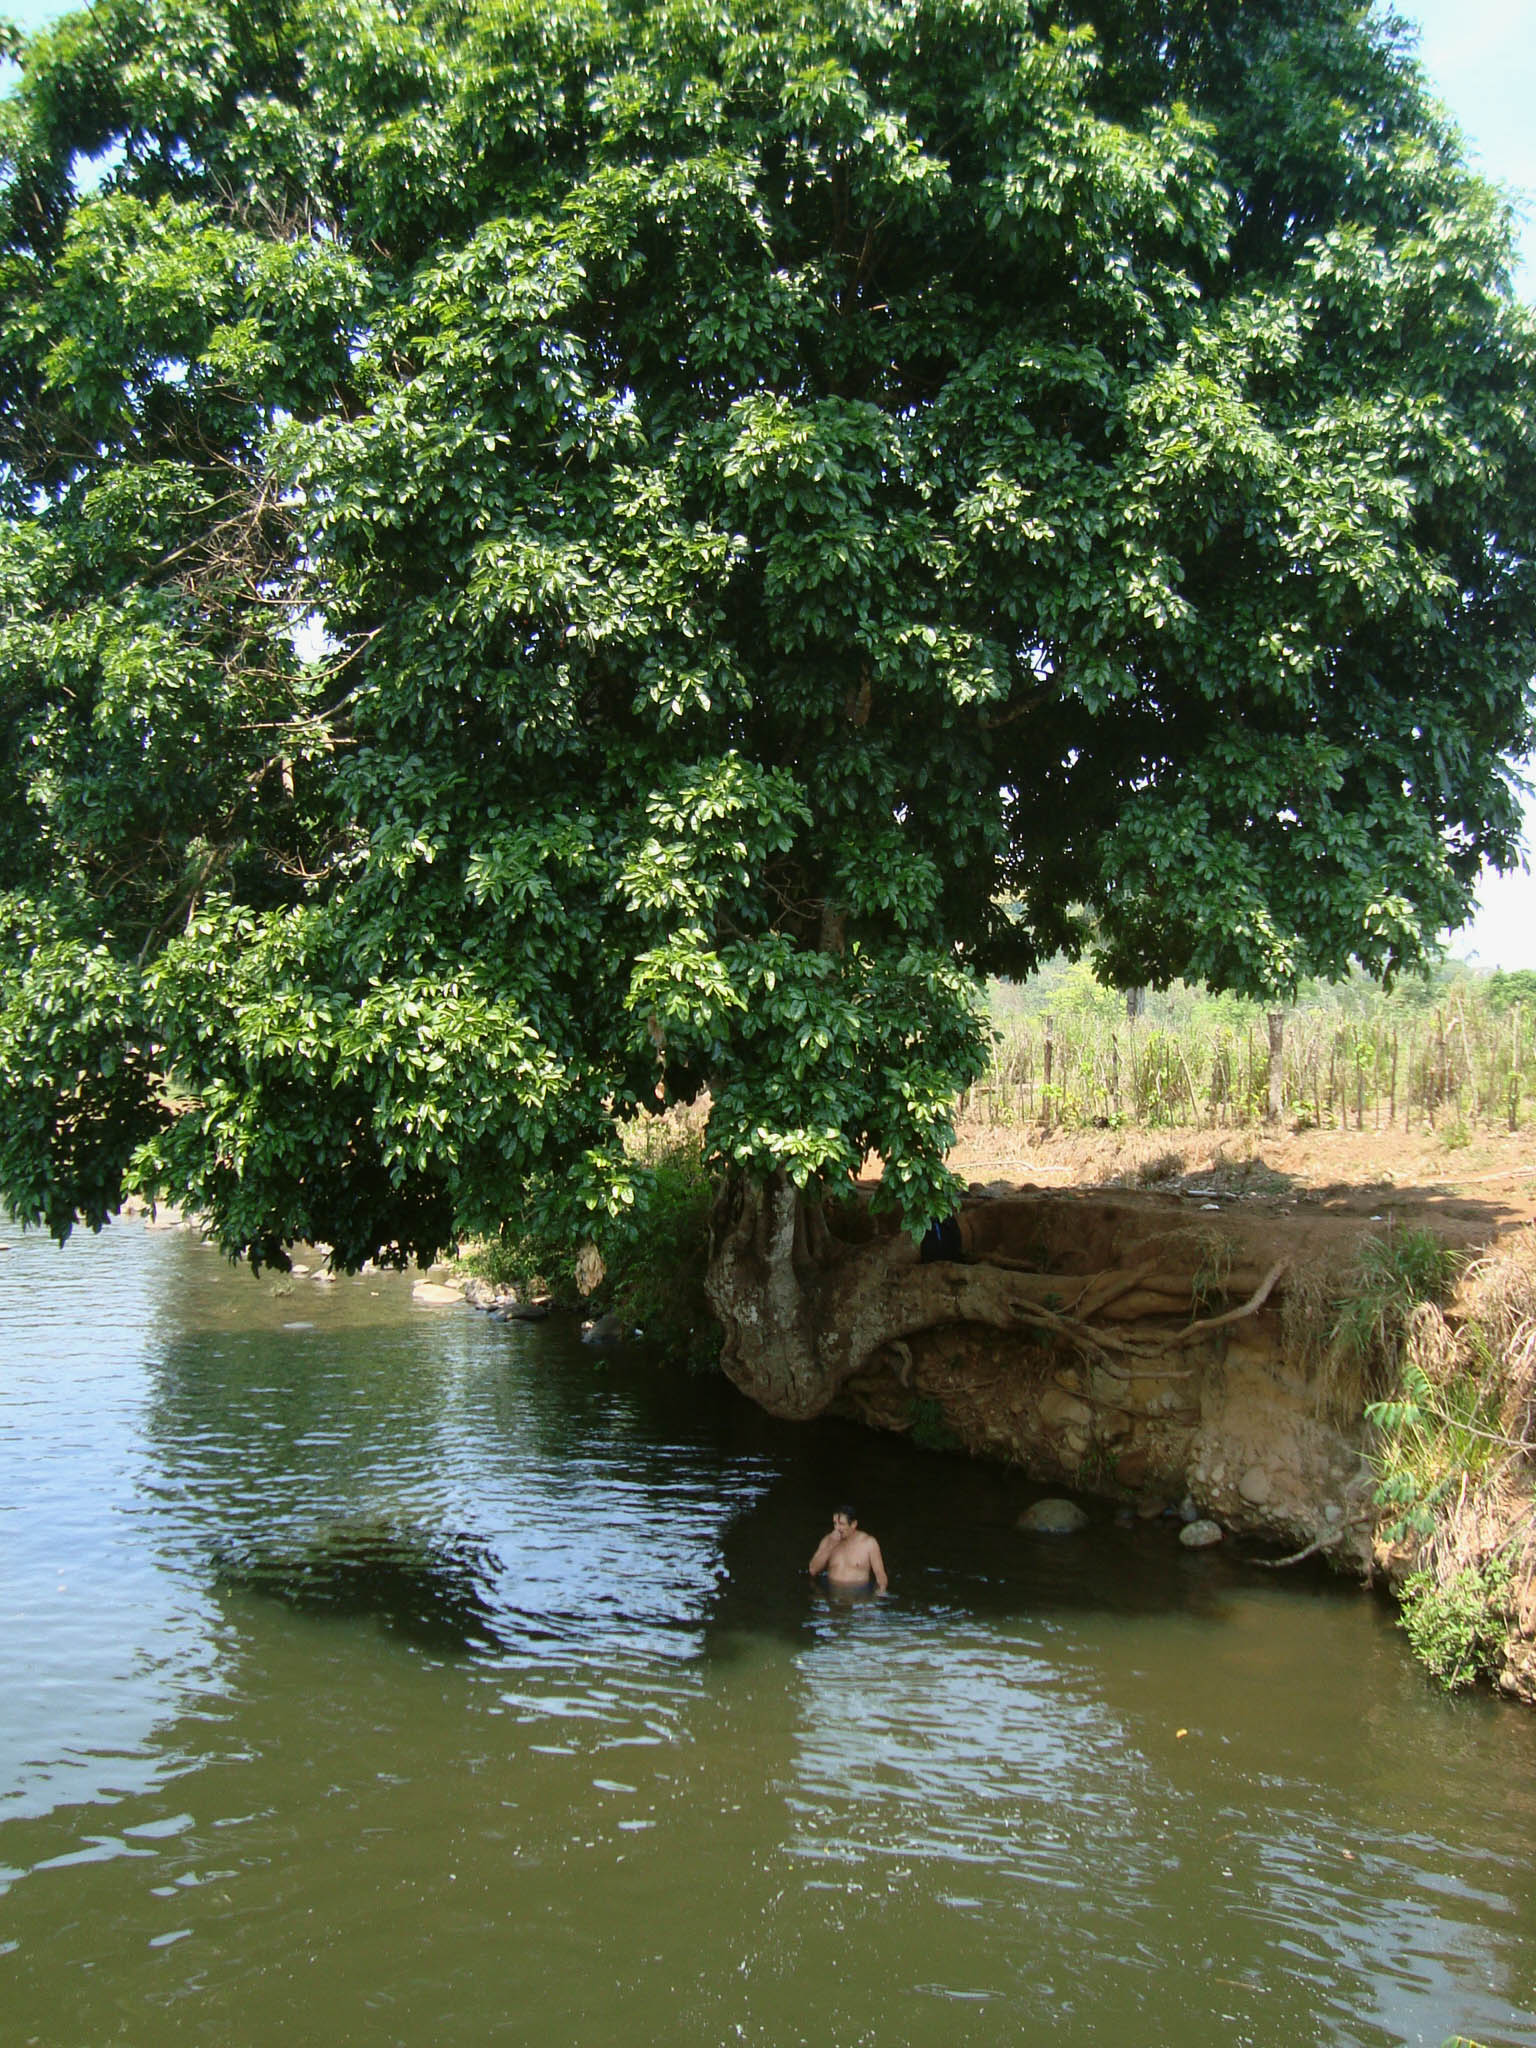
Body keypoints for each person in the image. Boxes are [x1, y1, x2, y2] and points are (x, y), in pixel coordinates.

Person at [808, 1506, 887, 1592]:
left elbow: (880, 1575)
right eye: (835, 1523)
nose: (837, 1528)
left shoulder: (869, 1543)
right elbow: (813, 1570)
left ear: (853, 1524)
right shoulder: (828, 1540)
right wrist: (830, 1546)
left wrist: (881, 1592)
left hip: (859, 1593)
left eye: (841, 1524)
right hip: (832, 1591)